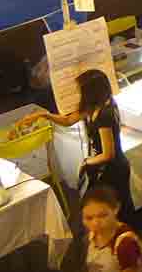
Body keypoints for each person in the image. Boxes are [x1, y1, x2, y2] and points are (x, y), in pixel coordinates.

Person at [19, 70, 134, 219]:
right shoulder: (92, 107)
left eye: (81, 90)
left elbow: (108, 154)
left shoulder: (105, 114)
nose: (79, 93)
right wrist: (44, 115)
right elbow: (67, 121)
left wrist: (87, 162)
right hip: (103, 166)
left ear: (91, 91)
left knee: (118, 210)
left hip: (114, 169)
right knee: (105, 208)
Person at [61, 186, 142, 272]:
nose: (95, 223)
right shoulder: (91, 235)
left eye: (102, 216)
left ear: (116, 209)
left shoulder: (125, 244)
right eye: (89, 218)